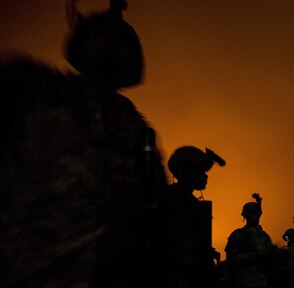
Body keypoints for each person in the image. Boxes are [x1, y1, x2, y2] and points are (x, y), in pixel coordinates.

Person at [0, 1, 166, 287]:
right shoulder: (34, 87)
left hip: (104, 270)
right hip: (32, 263)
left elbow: (153, 206)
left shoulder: (134, 128)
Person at [161, 146, 225, 288]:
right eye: (201, 171)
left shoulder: (192, 203)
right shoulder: (169, 199)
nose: (205, 176)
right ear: (188, 172)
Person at [224, 193, 276, 288]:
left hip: (263, 281)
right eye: (253, 213)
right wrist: (256, 254)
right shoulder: (238, 235)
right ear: (246, 215)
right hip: (245, 281)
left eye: (257, 213)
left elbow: (271, 257)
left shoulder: (264, 236)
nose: (256, 216)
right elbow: (232, 259)